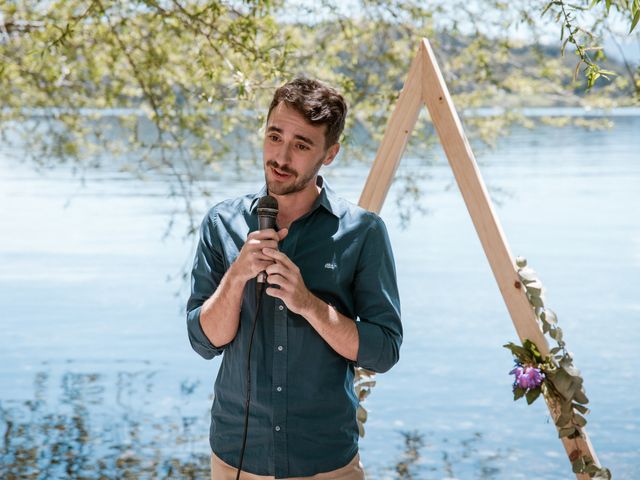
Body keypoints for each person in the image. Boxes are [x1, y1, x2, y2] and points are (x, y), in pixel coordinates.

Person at [186, 77, 402, 480]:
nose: (281, 157)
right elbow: (203, 341)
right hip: (236, 458)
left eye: (301, 145)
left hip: (325, 461)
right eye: (274, 136)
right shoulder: (221, 223)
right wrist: (236, 278)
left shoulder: (364, 232)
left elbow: (383, 351)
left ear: (330, 153)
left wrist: (309, 304)